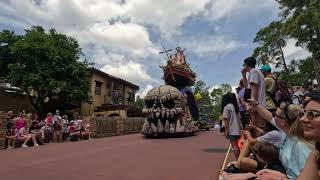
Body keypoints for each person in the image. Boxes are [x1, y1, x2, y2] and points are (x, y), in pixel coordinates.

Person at [247, 99, 312, 179]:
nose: (273, 117)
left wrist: (277, 178)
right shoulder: (287, 131)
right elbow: (269, 117)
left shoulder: (300, 146)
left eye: (276, 115)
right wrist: (256, 105)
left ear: (283, 122)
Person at [242, 57, 266, 131]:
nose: (243, 66)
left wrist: (252, 105)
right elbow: (247, 87)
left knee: (259, 130)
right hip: (258, 105)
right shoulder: (256, 72)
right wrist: (243, 75)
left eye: (244, 64)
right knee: (258, 128)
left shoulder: (253, 72)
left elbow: (254, 88)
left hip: (257, 106)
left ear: (246, 65)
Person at [222, 92, 243, 159]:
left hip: (232, 130)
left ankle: (237, 162)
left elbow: (226, 119)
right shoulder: (235, 107)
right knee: (237, 146)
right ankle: (238, 160)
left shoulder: (226, 107)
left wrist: (226, 130)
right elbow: (239, 119)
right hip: (237, 130)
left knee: (235, 146)